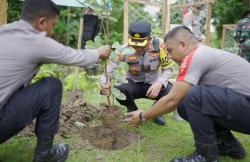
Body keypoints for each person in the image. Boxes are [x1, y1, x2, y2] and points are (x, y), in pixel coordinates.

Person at [0, 0, 110, 162]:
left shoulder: (4, 31)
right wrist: (98, 52)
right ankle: (45, 155)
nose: (51, 32)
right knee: (51, 86)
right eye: (52, 25)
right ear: (42, 22)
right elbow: (74, 56)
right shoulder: (36, 41)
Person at [124, 26, 250, 162]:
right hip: (243, 105)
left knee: (193, 95)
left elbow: (172, 100)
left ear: (183, 45)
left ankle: (206, 157)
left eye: (170, 50)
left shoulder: (196, 56)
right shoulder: (203, 53)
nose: (169, 56)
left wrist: (143, 116)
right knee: (185, 104)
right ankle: (228, 146)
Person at [100, 21, 174, 125]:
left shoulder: (160, 46)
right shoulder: (123, 50)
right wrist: (104, 83)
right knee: (118, 88)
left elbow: (168, 69)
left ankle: (156, 112)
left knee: (171, 92)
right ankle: (132, 109)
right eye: (135, 45)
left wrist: (160, 83)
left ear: (150, 38)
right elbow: (107, 71)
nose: (138, 48)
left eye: (141, 45)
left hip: (154, 84)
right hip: (133, 84)